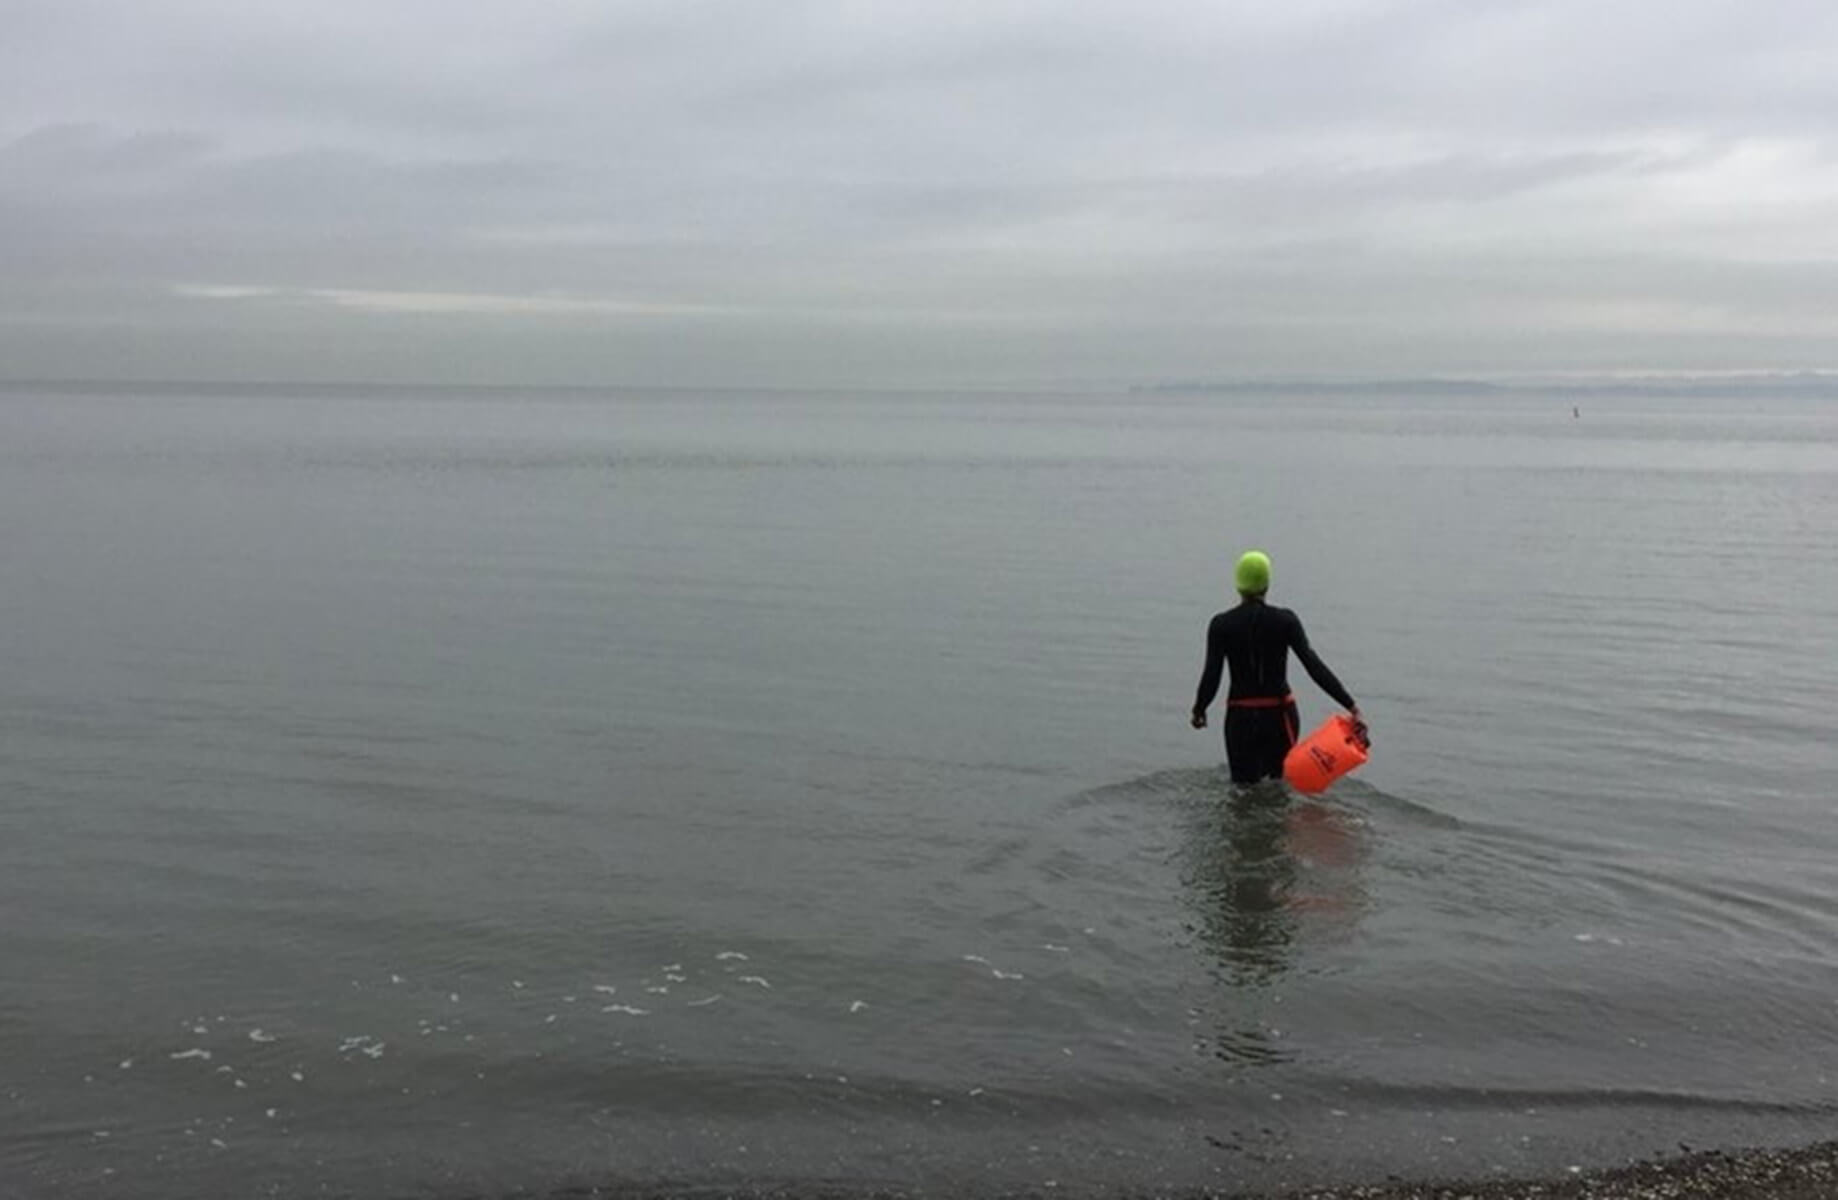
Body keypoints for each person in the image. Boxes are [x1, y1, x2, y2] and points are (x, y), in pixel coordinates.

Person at [1190, 550, 1362, 785]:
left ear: (1238, 584)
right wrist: (1350, 705)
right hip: (1280, 716)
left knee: (1243, 792)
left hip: (1241, 719)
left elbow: (1212, 675)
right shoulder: (1286, 620)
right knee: (1278, 788)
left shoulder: (1221, 625)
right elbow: (1313, 666)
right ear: (1267, 584)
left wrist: (1199, 709)